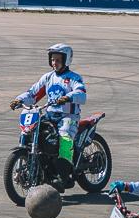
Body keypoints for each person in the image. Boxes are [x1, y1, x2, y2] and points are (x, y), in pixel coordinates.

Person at [10, 43, 86, 190]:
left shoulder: (74, 78)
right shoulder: (48, 77)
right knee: (32, 131)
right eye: (52, 59)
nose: (54, 62)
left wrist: (69, 97)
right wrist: (19, 100)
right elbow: (33, 93)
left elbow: (81, 94)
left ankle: (63, 176)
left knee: (64, 137)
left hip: (68, 116)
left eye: (57, 60)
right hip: (50, 114)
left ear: (66, 60)